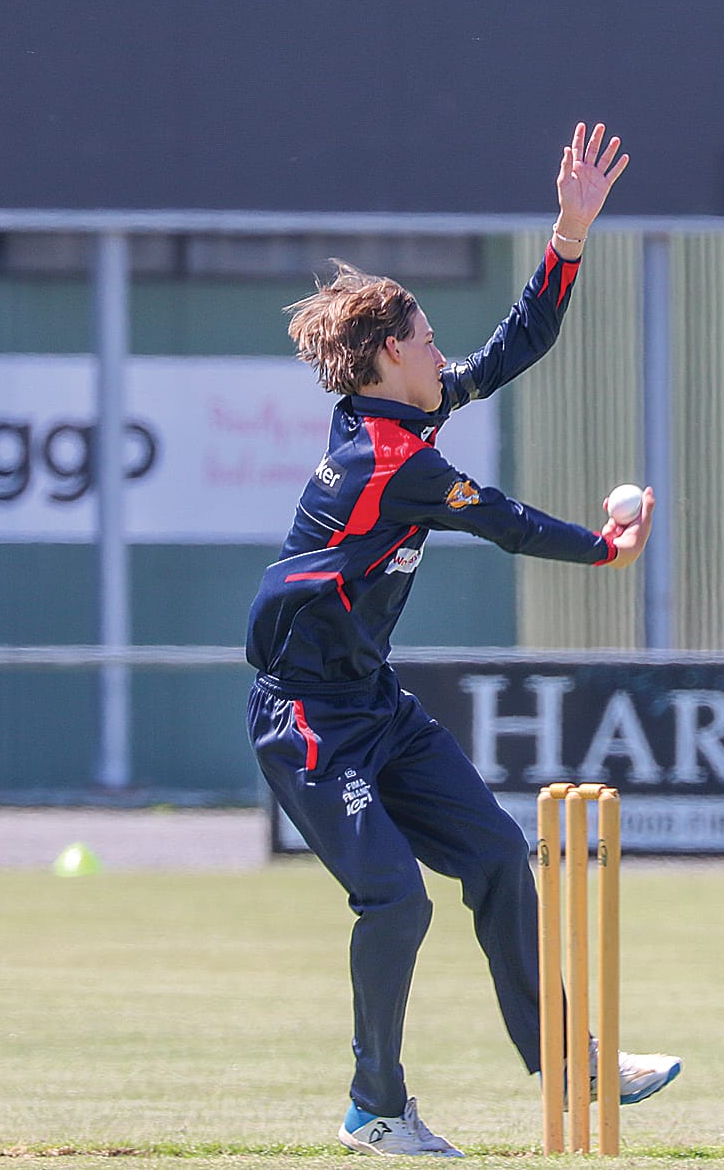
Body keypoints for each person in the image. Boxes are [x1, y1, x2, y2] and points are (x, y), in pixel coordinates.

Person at [245, 123, 681, 1157]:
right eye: (429, 339)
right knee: (393, 901)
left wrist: (567, 237)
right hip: (304, 719)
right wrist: (606, 551)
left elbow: (515, 347)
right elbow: (506, 522)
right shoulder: (387, 464)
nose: (444, 353)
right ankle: (374, 1107)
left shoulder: (404, 424)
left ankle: (573, 1065)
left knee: (492, 854)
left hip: (373, 706)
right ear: (391, 354)